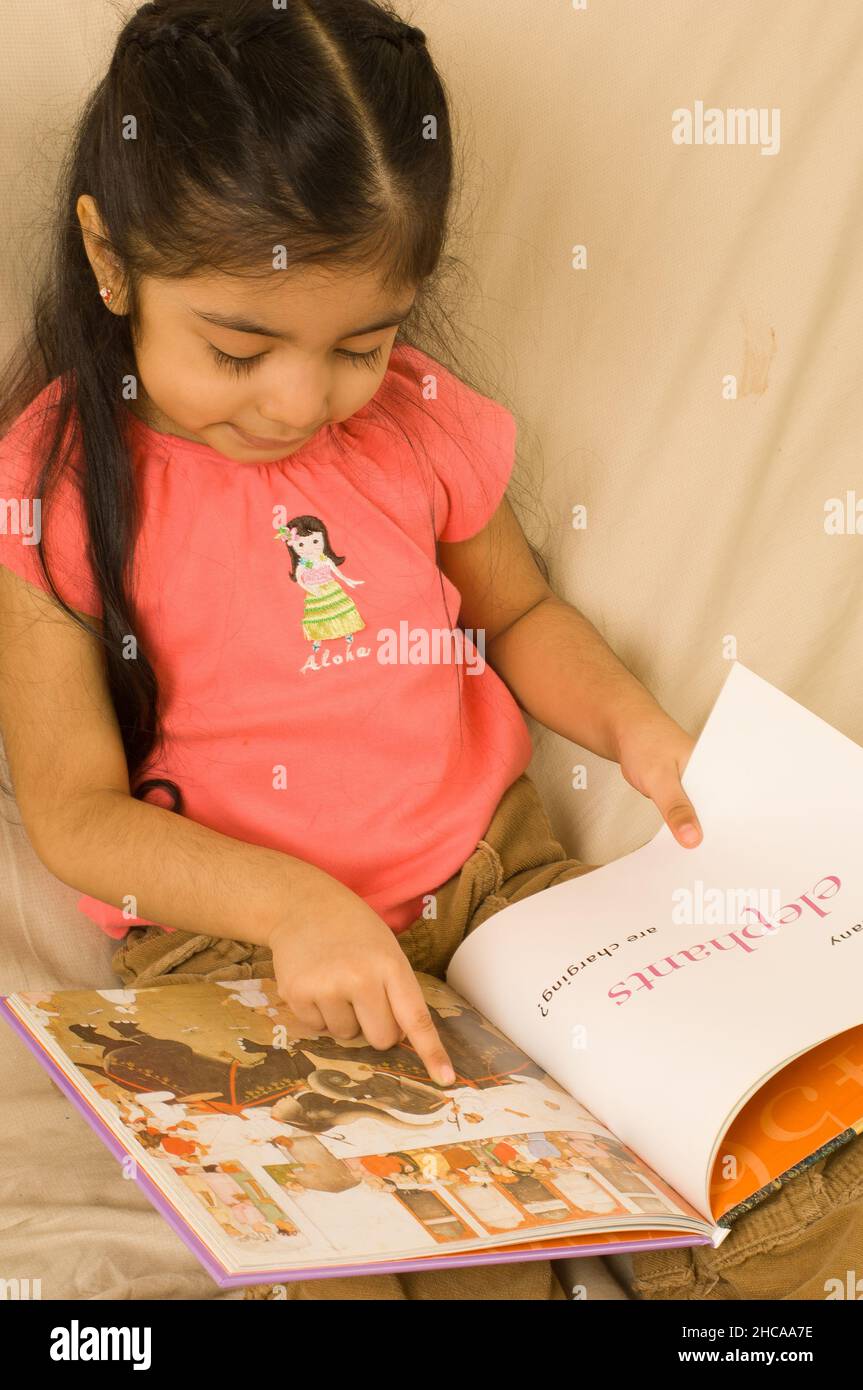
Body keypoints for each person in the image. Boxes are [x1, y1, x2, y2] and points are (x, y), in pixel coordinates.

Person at [0, 0, 702, 1301]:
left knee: (658, 1187)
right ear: (110, 258)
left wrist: (635, 727)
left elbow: (526, 619)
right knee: (351, 1248)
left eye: (358, 344)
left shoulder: (418, 427)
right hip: (242, 939)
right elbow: (73, 814)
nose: (297, 400)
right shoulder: (54, 491)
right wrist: (294, 908)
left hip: (491, 882)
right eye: (239, 345)